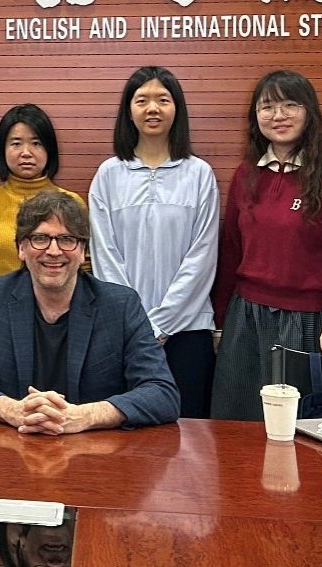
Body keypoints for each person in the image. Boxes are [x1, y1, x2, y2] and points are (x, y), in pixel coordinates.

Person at [0, 190, 179, 432]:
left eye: (67, 239)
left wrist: (86, 415)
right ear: (21, 248)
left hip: (95, 448)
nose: (54, 251)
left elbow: (162, 392)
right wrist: (11, 410)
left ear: (83, 250)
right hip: (12, 443)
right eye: (40, 238)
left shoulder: (121, 305)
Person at [210, 69, 322, 420]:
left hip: (313, 325)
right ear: (255, 116)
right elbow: (230, 255)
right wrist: (220, 323)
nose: (278, 115)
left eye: (290, 105)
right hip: (247, 323)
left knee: (312, 430)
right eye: (267, 107)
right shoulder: (246, 175)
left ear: (309, 112)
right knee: (239, 427)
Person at [89, 66, 218, 417]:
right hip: (121, 331)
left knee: (188, 433)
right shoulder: (108, 175)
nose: (152, 109)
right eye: (141, 100)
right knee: (123, 430)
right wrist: (135, 322)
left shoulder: (199, 174)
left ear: (177, 108)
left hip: (188, 329)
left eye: (163, 99)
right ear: (128, 110)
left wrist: (160, 324)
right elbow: (104, 256)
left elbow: (202, 257)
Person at [0, 104, 86, 311]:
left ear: (50, 149)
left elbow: (84, 267)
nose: (26, 153)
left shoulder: (71, 203)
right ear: (2, 150)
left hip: (56, 313)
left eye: (36, 143)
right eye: (16, 144)